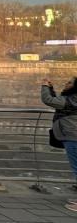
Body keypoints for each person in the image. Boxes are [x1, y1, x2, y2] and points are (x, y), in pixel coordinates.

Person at [41, 76, 77, 212]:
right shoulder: (72, 100)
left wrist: (45, 87)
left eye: (69, 82)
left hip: (73, 137)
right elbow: (59, 102)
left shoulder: (74, 99)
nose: (66, 83)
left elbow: (49, 101)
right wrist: (50, 89)